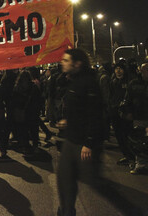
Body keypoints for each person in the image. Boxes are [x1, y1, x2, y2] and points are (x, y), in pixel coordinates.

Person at [56, 48, 105, 216]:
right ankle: (66, 210)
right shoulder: (74, 81)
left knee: (93, 184)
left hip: (82, 143)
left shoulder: (88, 83)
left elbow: (96, 114)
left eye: (66, 60)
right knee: (64, 178)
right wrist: (68, 121)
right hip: (71, 139)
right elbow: (78, 109)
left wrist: (89, 142)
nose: (62, 62)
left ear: (77, 64)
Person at [122, 62, 148, 174]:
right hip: (139, 116)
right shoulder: (134, 83)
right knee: (139, 142)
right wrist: (128, 112)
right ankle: (141, 165)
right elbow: (128, 99)